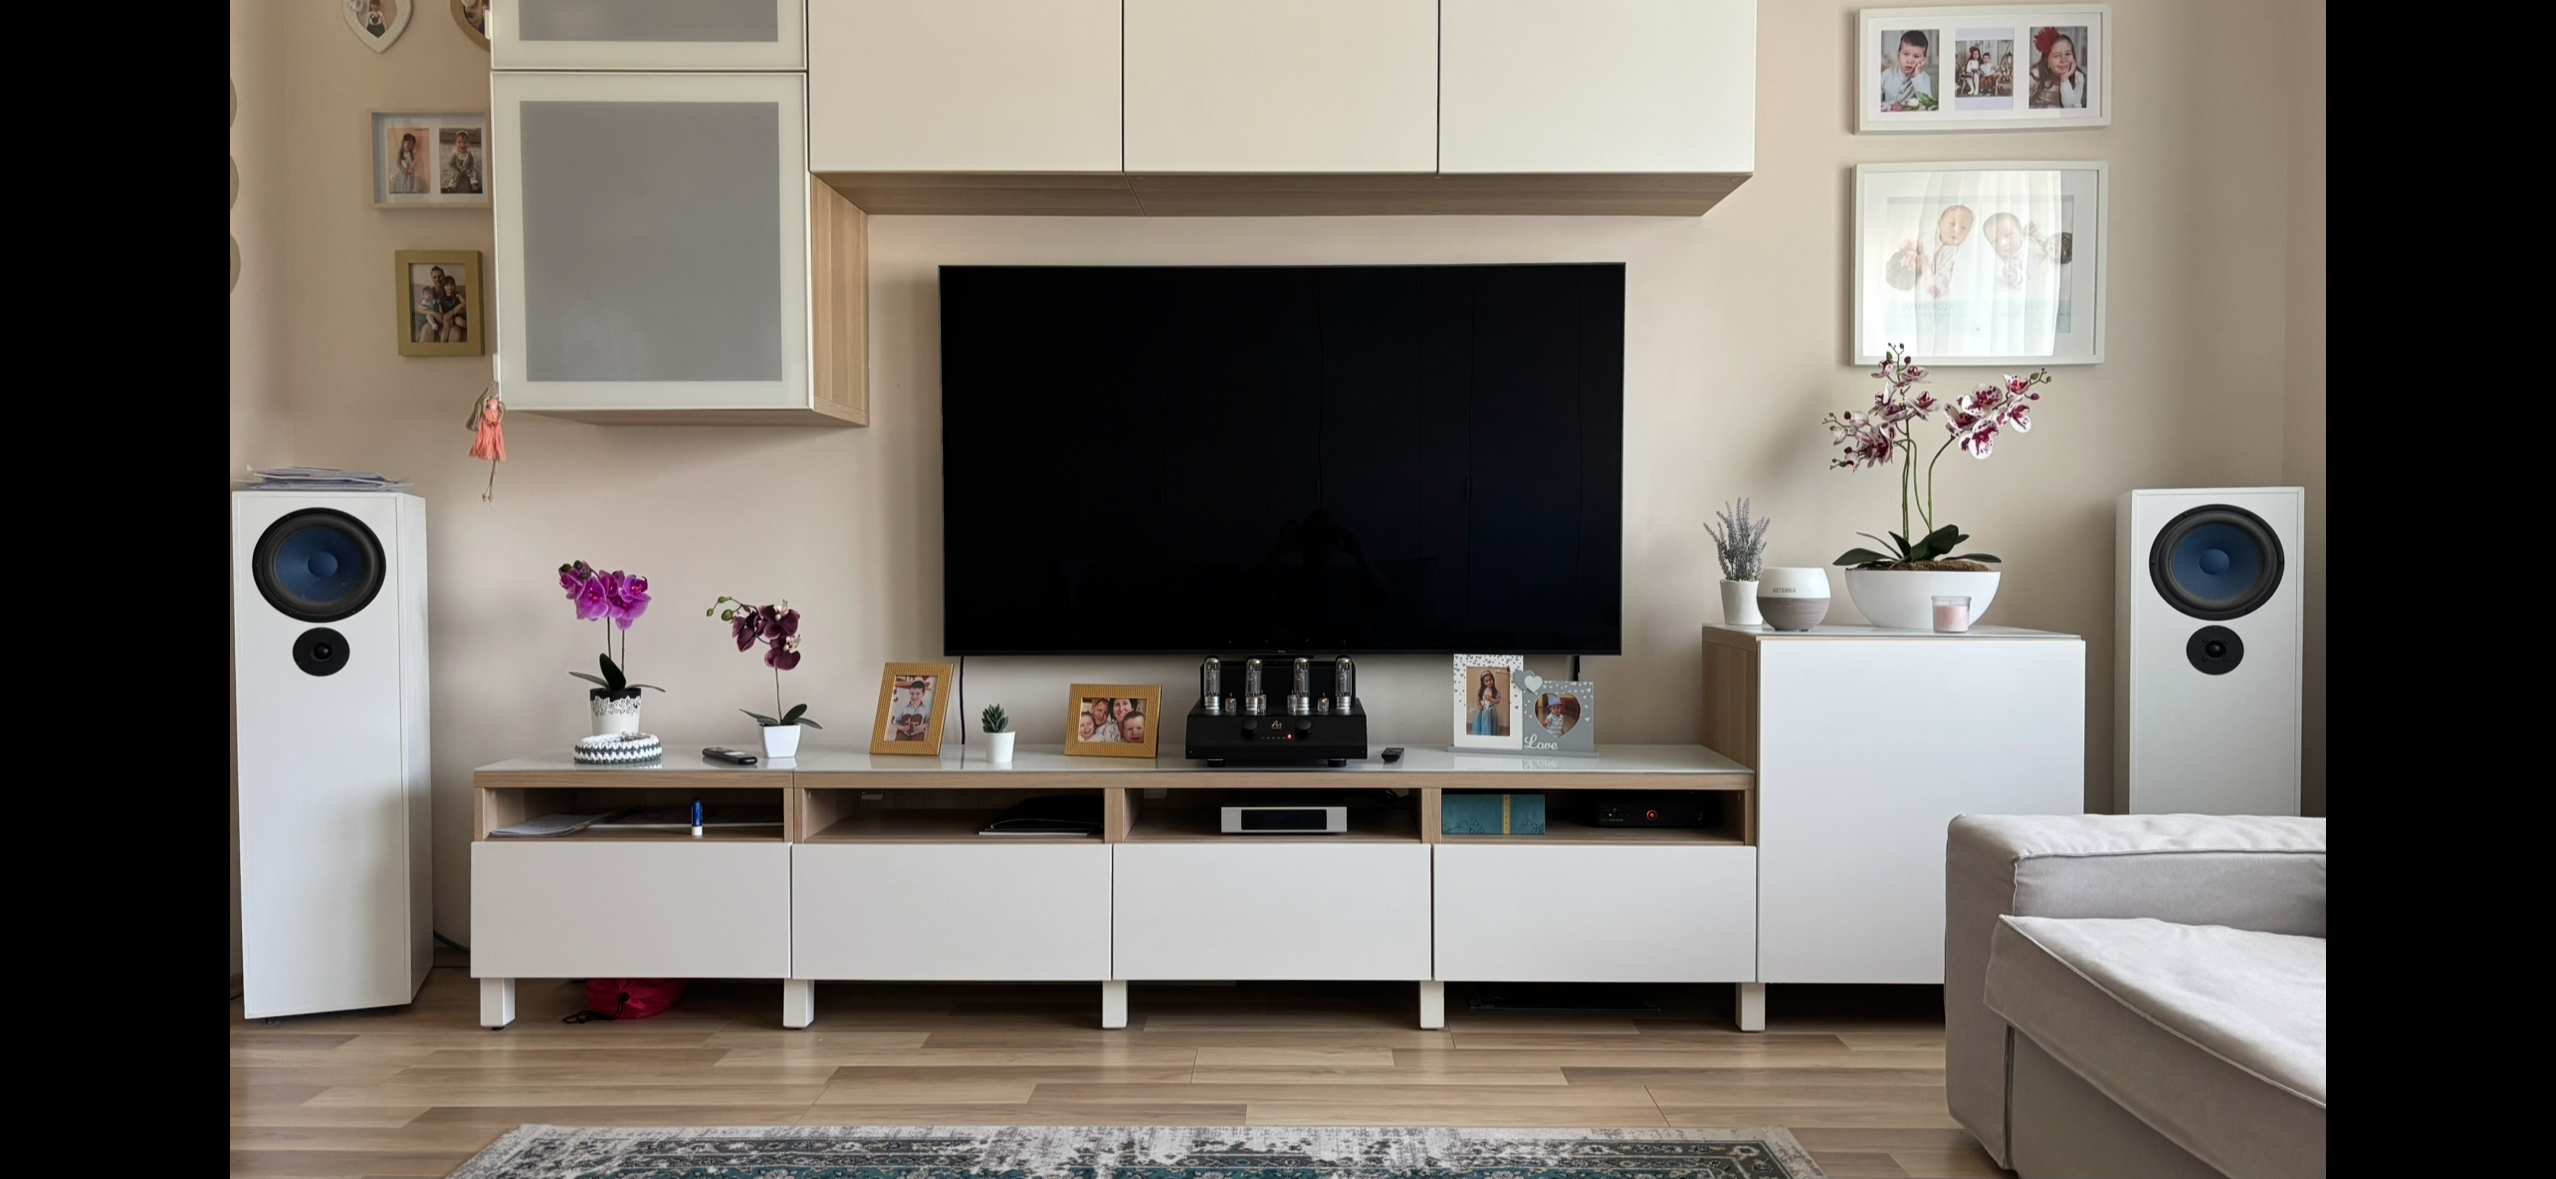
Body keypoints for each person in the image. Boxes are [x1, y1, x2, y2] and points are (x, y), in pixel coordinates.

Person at [2030, 30, 2086, 110]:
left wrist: (2064, 79)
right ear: (2047, 61)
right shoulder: (2035, 76)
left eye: (2068, 54)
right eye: (2056, 56)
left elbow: (2071, 107)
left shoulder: (2078, 78)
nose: (2063, 60)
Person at [1879, 30, 1933, 111]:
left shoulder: (1924, 79)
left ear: (1923, 60)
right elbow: (1873, 101)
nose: (1910, 61)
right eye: (1906, 54)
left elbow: (1928, 106)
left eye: (1916, 56)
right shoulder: (1886, 75)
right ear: (1898, 56)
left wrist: (1917, 76)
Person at [441, 131, 482, 195]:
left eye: (465, 142)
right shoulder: (455, 155)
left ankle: (474, 185)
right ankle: (450, 188)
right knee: (454, 178)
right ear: (455, 144)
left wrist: (470, 168)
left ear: (469, 144)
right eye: (459, 142)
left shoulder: (469, 154)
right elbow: (451, 164)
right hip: (458, 170)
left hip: (467, 170)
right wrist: (455, 170)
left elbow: (471, 163)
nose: (462, 144)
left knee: (473, 175)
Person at [1469, 672, 1504, 737]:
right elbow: (1478, 699)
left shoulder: (1495, 692)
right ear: (1483, 682)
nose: (1489, 682)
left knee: (1489, 723)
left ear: (1493, 679)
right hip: (1482, 710)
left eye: (1490, 680)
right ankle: (1480, 734)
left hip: (1490, 710)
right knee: (1481, 722)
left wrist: (1491, 699)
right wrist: (1479, 705)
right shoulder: (1481, 691)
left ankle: (1489, 735)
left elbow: (1497, 701)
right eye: (1486, 681)